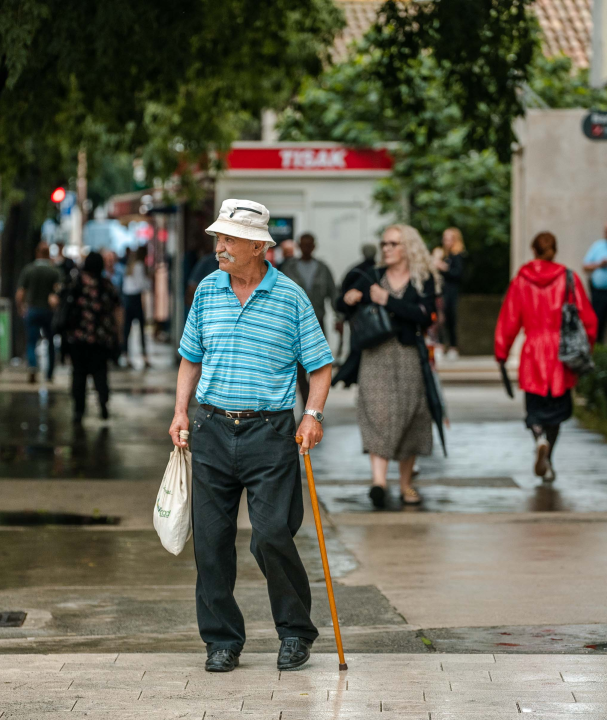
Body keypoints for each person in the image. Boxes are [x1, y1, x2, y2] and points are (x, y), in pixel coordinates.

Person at [169, 198, 333, 674]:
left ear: (259, 247)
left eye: (229, 239)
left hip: (270, 432)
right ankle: (222, 641)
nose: (219, 247)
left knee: (271, 535)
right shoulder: (207, 290)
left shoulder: (291, 297)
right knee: (211, 542)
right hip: (212, 428)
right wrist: (180, 412)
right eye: (218, 238)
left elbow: (320, 366)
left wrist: (312, 415)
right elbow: (191, 358)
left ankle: (295, 632)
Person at [336, 225, 439, 509]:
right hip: (375, 355)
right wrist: (349, 298)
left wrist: (388, 300)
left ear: (408, 247)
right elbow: (342, 304)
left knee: (411, 415)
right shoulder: (372, 275)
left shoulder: (422, 279)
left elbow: (425, 316)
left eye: (393, 244)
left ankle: (405, 485)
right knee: (377, 413)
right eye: (384, 244)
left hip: (408, 355)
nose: (387, 249)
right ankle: (378, 482)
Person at [496, 232, 597, 481]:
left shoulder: (521, 280)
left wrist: (501, 351)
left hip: (533, 352)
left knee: (535, 408)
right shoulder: (568, 278)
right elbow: (588, 319)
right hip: (561, 354)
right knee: (557, 412)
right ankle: (548, 457)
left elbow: (509, 319)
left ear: (534, 250)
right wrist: (587, 347)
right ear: (555, 249)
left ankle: (539, 437)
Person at [62, 251, 121, 423]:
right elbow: (117, 310)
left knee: (78, 375)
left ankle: (78, 410)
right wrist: (118, 334)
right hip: (100, 340)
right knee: (100, 373)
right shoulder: (106, 285)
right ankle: (103, 403)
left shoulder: (76, 284)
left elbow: (63, 305)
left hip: (78, 339)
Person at [280, 233, 337, 400]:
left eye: (309, 244)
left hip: (316, 322)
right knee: (297, 368)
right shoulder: (289, 268)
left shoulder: (323, 269)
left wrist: (339, 317)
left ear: (314, 246)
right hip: (292, 324)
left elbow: (333, 294)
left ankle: (313, 404)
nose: (306, 248)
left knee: (317, 365)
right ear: (299, 246)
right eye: (303, 244)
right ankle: (306, 402)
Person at [15, 242, 62, 383]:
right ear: (48, 254)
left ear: (37, 253)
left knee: (31, 341)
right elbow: (59, 291)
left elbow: (20, 293)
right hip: (49, 312)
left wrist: (20, 307)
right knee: (51, 342)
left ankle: (32, 366)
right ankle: (49, 373)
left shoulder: (29, 270)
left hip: (33, 310)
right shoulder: (54, 271)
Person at [434, 227, 467, 360]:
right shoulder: (443, 254)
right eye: (445, 238)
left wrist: (444, 268)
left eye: (449, 238)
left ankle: (453, 346)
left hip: (451, 291)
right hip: (440, 291)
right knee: (439, 318)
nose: (446, 241)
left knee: (450, 317)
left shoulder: (457, 255)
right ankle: (440, 344)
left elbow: (458, 274)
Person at [120, 246, 151, 368]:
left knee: (127, 328)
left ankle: (126, 355)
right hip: (136, 298)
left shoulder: (129, 266)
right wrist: (149, 281)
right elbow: (141, 284)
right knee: (141, 327)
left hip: (127, 298)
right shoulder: (139, 266)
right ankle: (144, 356)